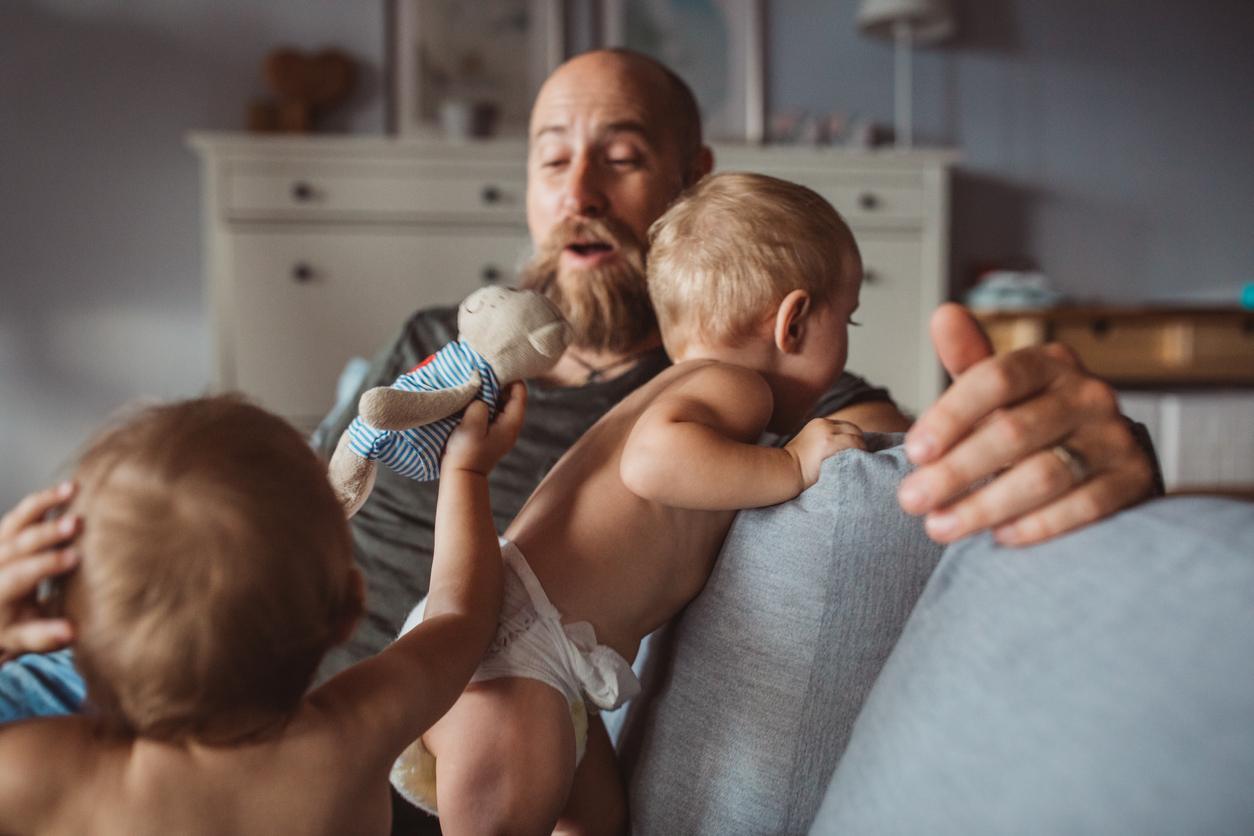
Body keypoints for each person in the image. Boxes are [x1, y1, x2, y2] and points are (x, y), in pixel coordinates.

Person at [0, 48, 1157, 814]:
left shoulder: (762, 386)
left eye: (623, 153)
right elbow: (306, 495)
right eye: (554, 157)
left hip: (364, 731)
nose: (580, 190)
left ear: (696, 187)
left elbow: (912, 457)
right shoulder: (438, 340)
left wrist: (1076, 453)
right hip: (180, 678)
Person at [395, 172, 869, 835]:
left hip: (536, 655)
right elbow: (655, 464)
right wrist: (791, 465)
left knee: (601, 822)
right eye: (846, 320)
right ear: (794, 322)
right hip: (519, 657)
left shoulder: (681, 388)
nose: (848, 341)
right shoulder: (739, 390)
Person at [0, 391, 524, 836]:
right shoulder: (354, 737)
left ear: (66, 637)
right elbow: (459, 617)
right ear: (350, 608)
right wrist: (467, 469)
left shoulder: (38, 774)